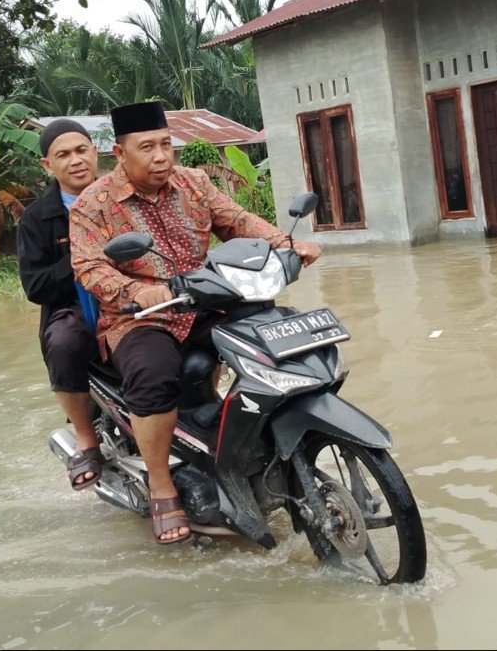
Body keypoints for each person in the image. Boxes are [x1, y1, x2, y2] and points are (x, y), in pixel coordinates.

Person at [69, 100, 321, 546]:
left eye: (166, 145)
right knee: (153, 377)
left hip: (204, 300)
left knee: (275, 332)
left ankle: (259, 443)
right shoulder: (94, 204)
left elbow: (237, 221)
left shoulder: (195, 182)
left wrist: (286, 244)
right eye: (147, 147)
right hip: (142, 318)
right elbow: (89, 267)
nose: (161, 156)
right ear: (120, 152)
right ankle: (163, 486)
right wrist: (136, 291)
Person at [16, 119, 103, 491]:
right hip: (72, 307)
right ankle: (86, 439)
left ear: (95, 152)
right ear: (47, 165)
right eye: (63, 155)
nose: (76, 161)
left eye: (82, 150)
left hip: (136, 297)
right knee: (64, 343)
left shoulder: (125, 196)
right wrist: (84, 258)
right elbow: (35, 286)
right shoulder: (37, 218)